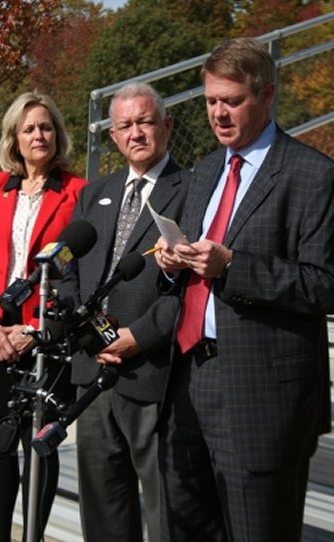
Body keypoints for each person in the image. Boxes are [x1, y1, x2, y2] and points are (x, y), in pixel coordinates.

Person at [155, 38, 334, 542]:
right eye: (211, 101)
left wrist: (232, 266)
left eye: (231, 101)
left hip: (260, 399)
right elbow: (193, 267)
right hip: (189, 380)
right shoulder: (207, 169)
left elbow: (325, 284)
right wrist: (172, 264)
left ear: (266, 94)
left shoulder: (313, 176)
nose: (219, 114)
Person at [58, 82, 190, 542]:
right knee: (103, 510)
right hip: (91, 375)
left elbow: (191, 289)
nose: (135, 133)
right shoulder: (94, 194)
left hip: (152, 374)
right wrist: (87, 332)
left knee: (165, 512)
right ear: (112, 136)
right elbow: (68, 273)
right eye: (125, 125)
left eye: (145, 122)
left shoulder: (194, 191)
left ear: (167, 126)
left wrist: (138, 336)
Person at [0, 91, 87, 542]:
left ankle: (33, 535)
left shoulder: (77, 192)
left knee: (40, 445)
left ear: (58, 135)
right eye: (29, 128)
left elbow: (78, 269)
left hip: (43, 334)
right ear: (14, 136)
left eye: (46, 127)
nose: (39, 135)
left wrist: (38, 330)